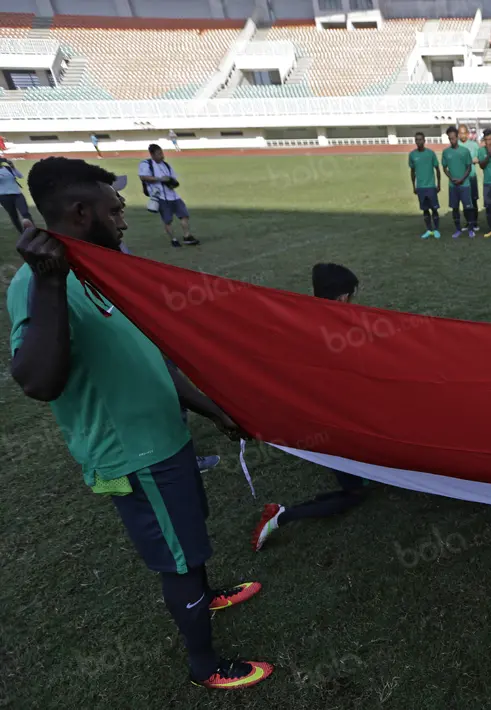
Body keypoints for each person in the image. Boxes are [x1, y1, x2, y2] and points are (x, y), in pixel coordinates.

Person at [7, 157, 271, 689]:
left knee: (188, 541)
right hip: (136, 457)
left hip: (168, 440)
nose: (125, 217)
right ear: (81, 213)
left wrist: (212, 410)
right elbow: (37, 381)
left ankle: (206, 590)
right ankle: (205, 664)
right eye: (115, 209)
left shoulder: (101, 267)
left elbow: (149, 357)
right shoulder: (38, 283)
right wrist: (50, 283)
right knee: (177, 560)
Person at [253, 264, 371, 551]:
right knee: (355, 492)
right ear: (343, 298)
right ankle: (281, 516)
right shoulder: (339, 328)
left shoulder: (305, 319)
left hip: (321, 418)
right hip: (334, 424)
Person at [138, 144, 198, 247]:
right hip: (160, 197)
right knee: (167, 220)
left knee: (184, 215)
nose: (162, 156)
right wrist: (160, 179)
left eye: (162, 153)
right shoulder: (146, 164)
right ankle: (173, 239)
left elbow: (173, 178)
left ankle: (187, 236)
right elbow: (143, 177)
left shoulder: (166, 165)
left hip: (173, 195)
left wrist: (172, 183)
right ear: (152, 155)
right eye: (159, 154)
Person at [441, 127, 477, 239]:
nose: (452, 140)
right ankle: (458, 229)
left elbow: (469, 168)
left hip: (464, 185)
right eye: (450, 139)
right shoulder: (446, 152)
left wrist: (462, 179)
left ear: (457, 137)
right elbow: (444, 168)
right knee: (455, 208)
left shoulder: (465, 151)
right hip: (453, 186)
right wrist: (451, 178)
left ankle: (471, 229)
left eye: (453, 138)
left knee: (468, 208)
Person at [408, 131, 442, 240]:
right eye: (416, 140)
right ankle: (428, 230)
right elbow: (412, 171)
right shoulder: (412, 155)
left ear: (424, 140)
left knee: (434, 209)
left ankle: (436, 230)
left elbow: (437, 169)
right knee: (425, 210)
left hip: (431, 186)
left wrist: (438, 184)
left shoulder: (430, 153)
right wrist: (414, 186)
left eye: (420, 139)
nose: (418, 141)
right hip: (420, 187)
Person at [0, 156, 34, 235]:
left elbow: (20, 176)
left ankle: (33, 230)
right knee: (14, 215)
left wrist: (13, 167)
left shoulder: (7, 168)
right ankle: (22, 233)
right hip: (4, 197)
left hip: (17, 194)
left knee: (25, 213)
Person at [457, 124, 482, 218]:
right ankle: (468, 222)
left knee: (473, 199)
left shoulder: (474, 145)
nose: (462, 135)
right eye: (460, 133)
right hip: (461, 177)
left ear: (467, 134)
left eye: (464, 133)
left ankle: (475, 222)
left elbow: (480, 158)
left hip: (471, 176)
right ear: (458, 134)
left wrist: (477, 159)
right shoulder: (456, 145)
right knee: (464, 200)